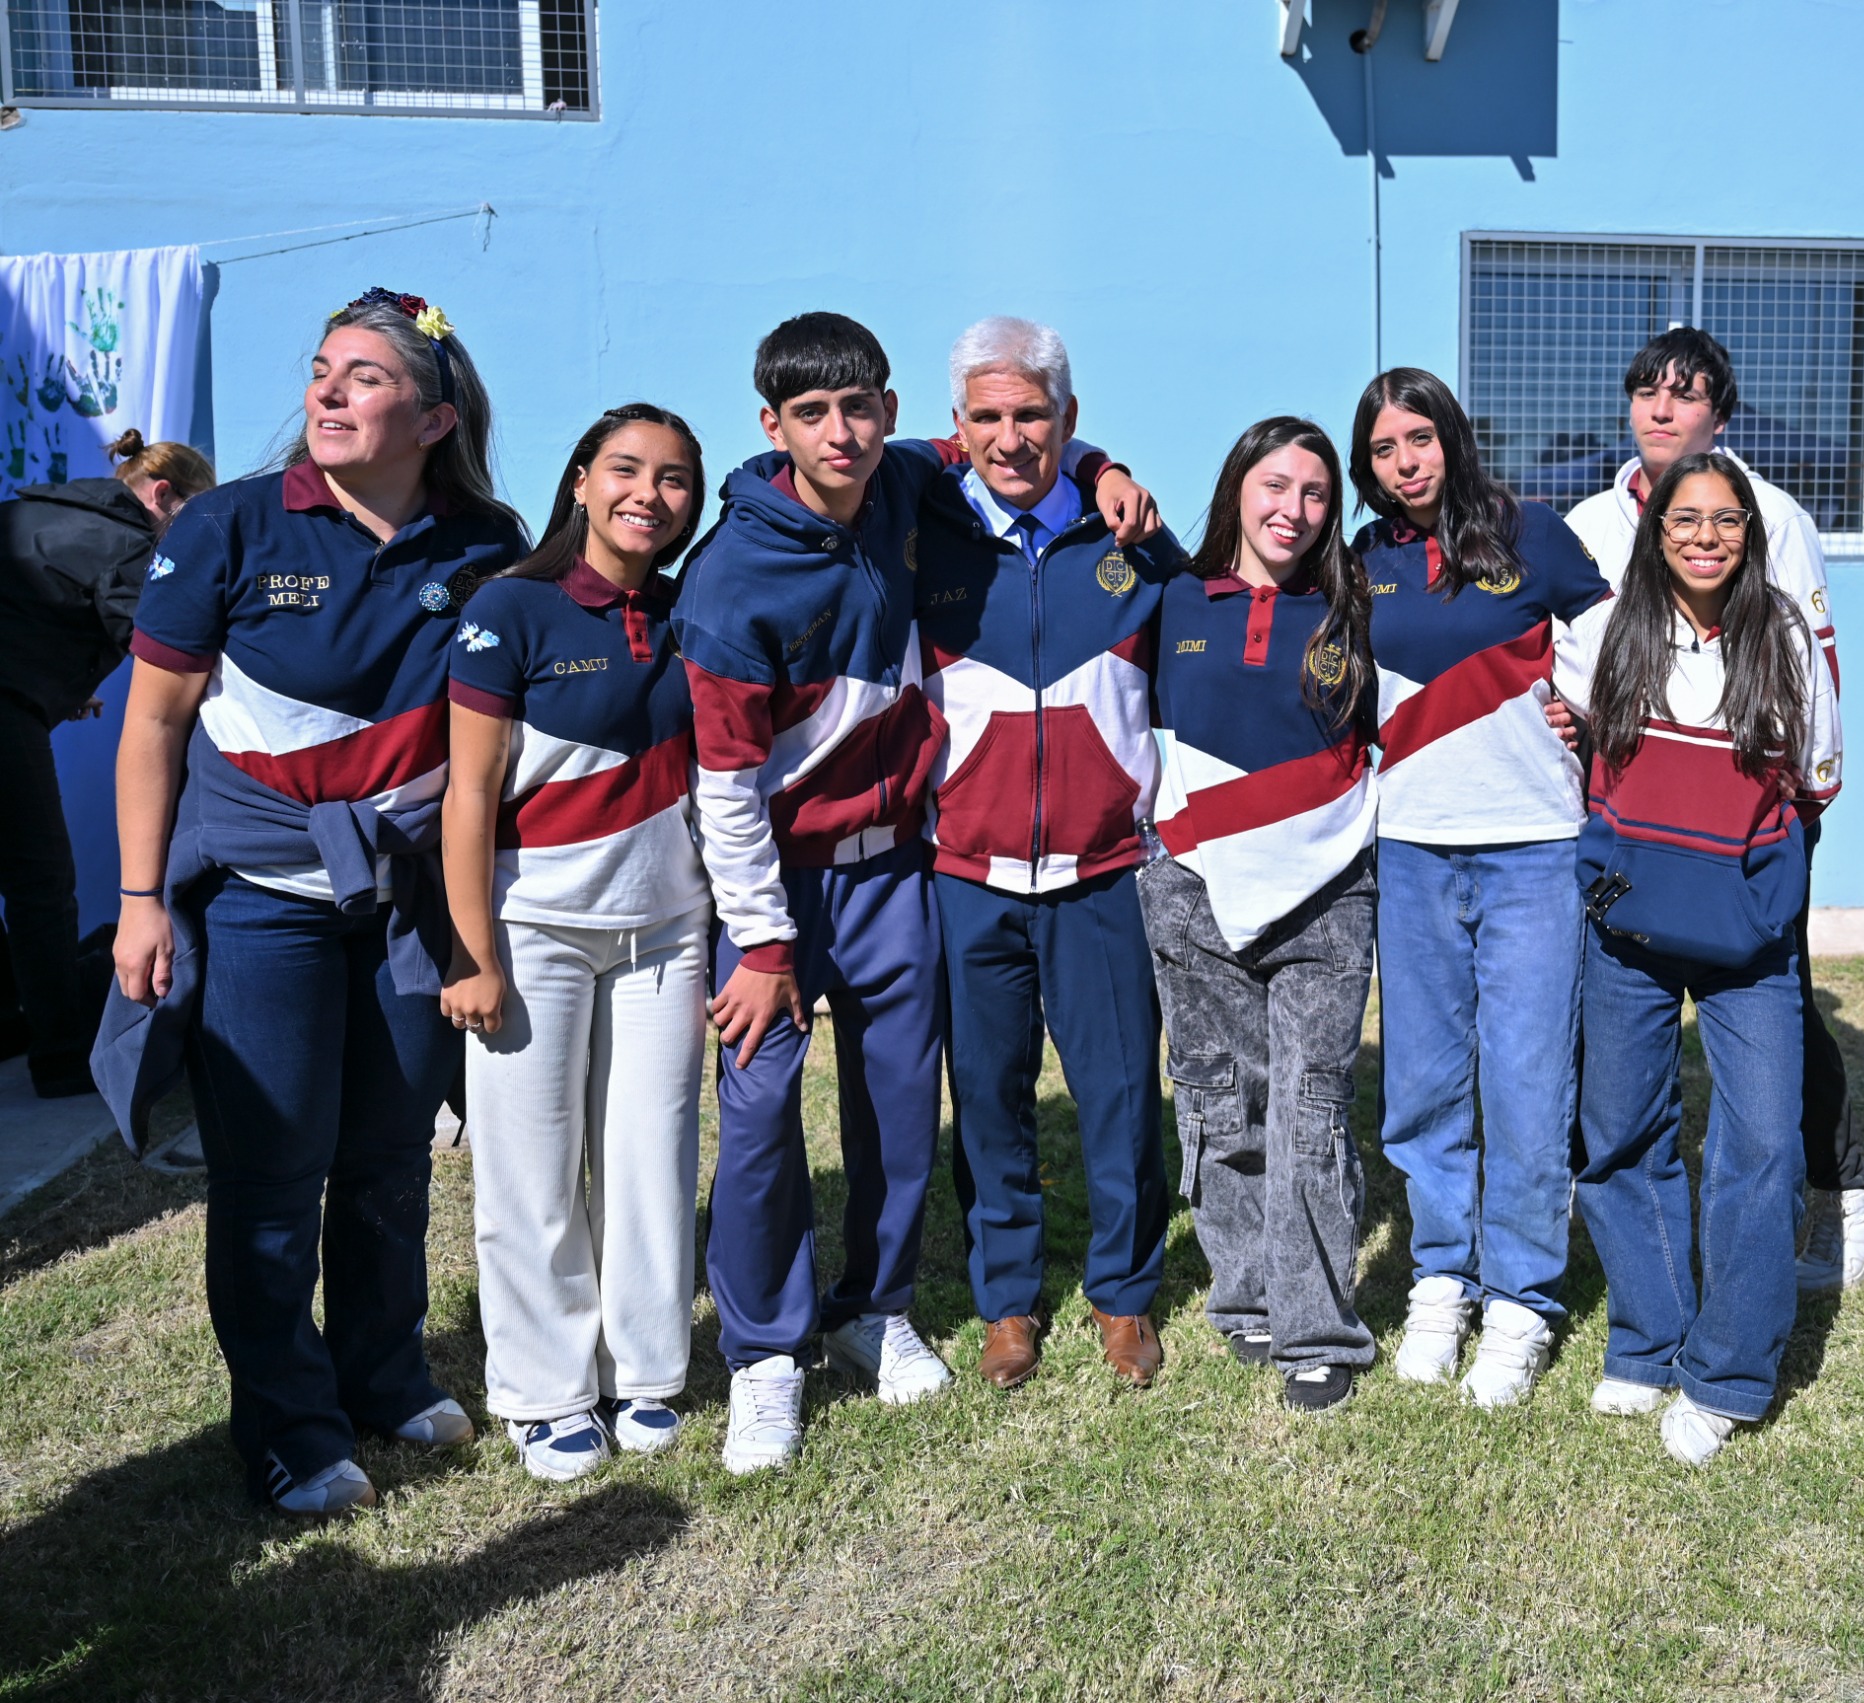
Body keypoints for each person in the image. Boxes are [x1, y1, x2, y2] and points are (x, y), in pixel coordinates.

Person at [673, 312, 1156, 1469]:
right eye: (811, 414)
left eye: (858, 408)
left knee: (897, 1105)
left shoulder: (903, 481)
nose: (839, 433)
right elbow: (725, 788)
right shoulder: (732, 576)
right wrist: (762, 940)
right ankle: (766, 1353)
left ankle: (875, 1307)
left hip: (896, 865)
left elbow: (1015, 436)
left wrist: (1103, 466)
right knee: (761, 1117)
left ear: (889, 415)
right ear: (772, 425)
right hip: (779, 885)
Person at [97, 289, 524, 1516]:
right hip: (257, 901)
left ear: (434, 418)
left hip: (400, 901)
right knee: (274, 1171)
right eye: (324, 368)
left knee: (390, 1152)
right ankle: (290, 1427)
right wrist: (140, 900)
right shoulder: (227, 524)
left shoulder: (484, 541)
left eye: (366, 376)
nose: (328, 392)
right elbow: (153, 726)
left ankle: (383, 1374)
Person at [1561, 326, 1864, 1295]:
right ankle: (1618, 1200)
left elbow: (1810, 672)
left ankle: (1841, 1183)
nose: (1662, 408)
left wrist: (1789, 818)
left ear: (1721, 413)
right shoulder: (1589, 520)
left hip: (1746, 813)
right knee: (1614, 1001)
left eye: (1686, 392)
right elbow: (1568, 661)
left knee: (1774, 1003)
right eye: (1646, 390)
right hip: (1631, 819)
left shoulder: (1769, 513)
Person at [440, 405, 712, 1482]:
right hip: (533, 931)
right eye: (626, 470)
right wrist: (472, 953)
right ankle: (545, 1392)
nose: (650, 494)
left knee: (651, 1160)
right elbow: (468, 792)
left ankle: (644, 1372)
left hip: (668, 931)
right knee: (532, 1172)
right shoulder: (510, 605)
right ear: (581, 481)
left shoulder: (692, 613)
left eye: (675, 478)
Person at [915, 316, 1186, 1392]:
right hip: (967, 875)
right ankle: (1007, 1299)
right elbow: (798, 467)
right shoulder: (920, 527)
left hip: (1104, 871)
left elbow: (1205, 669)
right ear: (957, 423)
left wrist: (1101, 470)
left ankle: (1123, 1291)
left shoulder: (1133, 542)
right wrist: (1095, 458)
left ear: (1069, 417)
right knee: (988, 1097)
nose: (1010, 436)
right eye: (986, 416)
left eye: (1033, 414)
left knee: (1120, 1095)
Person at [1562, 450, 1841, 1464]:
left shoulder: (1787, 637)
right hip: (1626, 929)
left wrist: (1749, 880)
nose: (1705, 536)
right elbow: (1571, 752)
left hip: (1746, 939)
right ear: (1655, 528)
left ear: (1750, 533)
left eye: (1726, 519)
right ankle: (1647, 1336)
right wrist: (1608, 881)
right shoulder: (1603, 630)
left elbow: (1816, 781)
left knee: (1761, 1145)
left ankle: (1725, 1371)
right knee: (1620, 1133)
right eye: (1685, 517)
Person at [1353, 366, 1612, 1409]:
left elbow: (1618, 650)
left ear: (1453, 437)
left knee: (1526, 1081)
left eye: (1418, 437)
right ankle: (1441, 1277)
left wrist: (1585, 712)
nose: (1404, 461)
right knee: (1422, 1083)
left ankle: (1520, 1296)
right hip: (1411, 849)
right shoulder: (1362, 560)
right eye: (1383, 449)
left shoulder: (1533, 532)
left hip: (1533, 849)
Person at [1141, 417, 1379, 1413]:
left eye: (1316, 492)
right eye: (1275, 484)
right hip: (1193, 886)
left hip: (1327, 895)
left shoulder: (1356, 606)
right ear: (1237, 485)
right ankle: (1245, 1289)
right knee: (1220, 1098)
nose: (1294, 508)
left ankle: (1316, 1325)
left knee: (1309, 1106)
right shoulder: (1171, 596)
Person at [0, 429, 215, 1096]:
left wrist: (58, 684)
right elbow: (168, 652)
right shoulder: (128, 544)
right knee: (41, 883)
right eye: (194, 519)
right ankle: (63, 1055)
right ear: (163, 495)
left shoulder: (35, 511)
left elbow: (26, 614)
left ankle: (12, 1022)